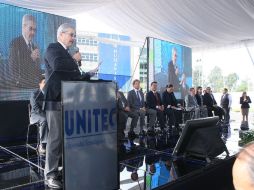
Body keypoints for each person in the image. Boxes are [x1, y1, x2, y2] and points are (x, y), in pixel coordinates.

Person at [43, 23, 81, 188]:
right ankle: (50, 174)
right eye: (71, 34)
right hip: (55, 100)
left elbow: (76, 75)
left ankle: (65, 169)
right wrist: (74, 60)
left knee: (67, 138)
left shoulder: (67, 54)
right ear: (61, 35)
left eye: (74, 35)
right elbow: (58, 66)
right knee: (56, 138)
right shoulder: (53, 48)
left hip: (69, 99)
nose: (73, 38)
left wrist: (87, 74)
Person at [9, 14, 41, 89]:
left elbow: (37, 70)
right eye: (31, 29)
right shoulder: (15, 43)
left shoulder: (34, 46)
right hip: (21, 88)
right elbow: (14, 70)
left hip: (34, 86)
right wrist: (31, 59)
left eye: (35, 30)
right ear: (23, 27)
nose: (33, 33)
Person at [29, 76, 48, 154]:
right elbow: (36, 109)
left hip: (46, 115)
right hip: (35, 116)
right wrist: (47, 116)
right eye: (44, 83)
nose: (46, 84)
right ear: (39, 84)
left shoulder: (49, 94)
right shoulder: (34, 94)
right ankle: (43, 145)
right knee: (45, 120)